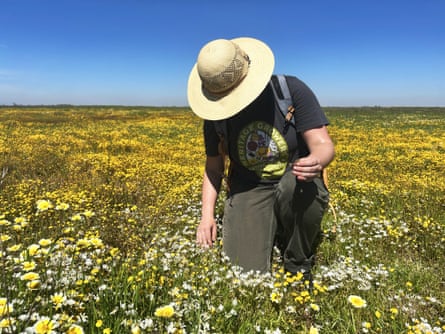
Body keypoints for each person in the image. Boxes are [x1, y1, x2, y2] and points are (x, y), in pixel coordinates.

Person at [187, 37, 335, 280]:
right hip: (249, 187)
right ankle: (270, 223)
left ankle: (298, 262)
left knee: (295, 187)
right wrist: (206, 217)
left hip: (294, 178)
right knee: (245, 274)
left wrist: (318, 160)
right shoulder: (215, 117)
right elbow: (214, 168)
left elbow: (323, 143)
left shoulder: (290, 91)